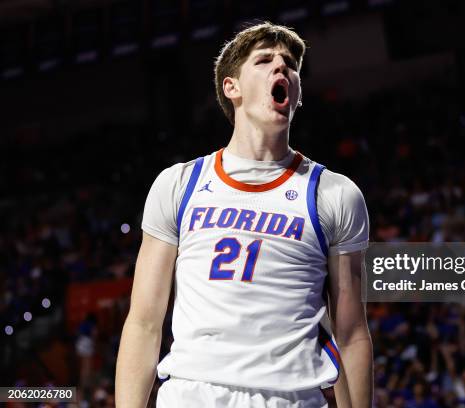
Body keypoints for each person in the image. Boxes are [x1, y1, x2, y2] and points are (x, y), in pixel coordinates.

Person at [115, 22, 373, 407]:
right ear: (231, 87)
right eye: (264, 60)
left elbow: (351, 332)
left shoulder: (335, 194)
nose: (281, 68)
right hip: (192, 393)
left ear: (297, 94)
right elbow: (144, 322)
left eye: (290, 65)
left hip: (291, 397)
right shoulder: (179, 184)